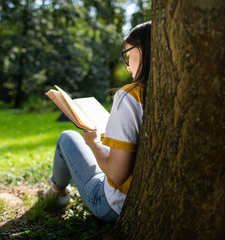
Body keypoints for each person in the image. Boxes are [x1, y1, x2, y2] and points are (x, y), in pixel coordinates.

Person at [43, 21, 151, 222]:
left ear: (143, 48)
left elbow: (117, 175)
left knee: (67, 137)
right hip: (144, 195)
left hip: (113, 203)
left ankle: (56, 190)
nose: (128, 68)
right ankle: (56, 183)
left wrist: (92, 143)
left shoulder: (129, 96)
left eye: (128, 57)